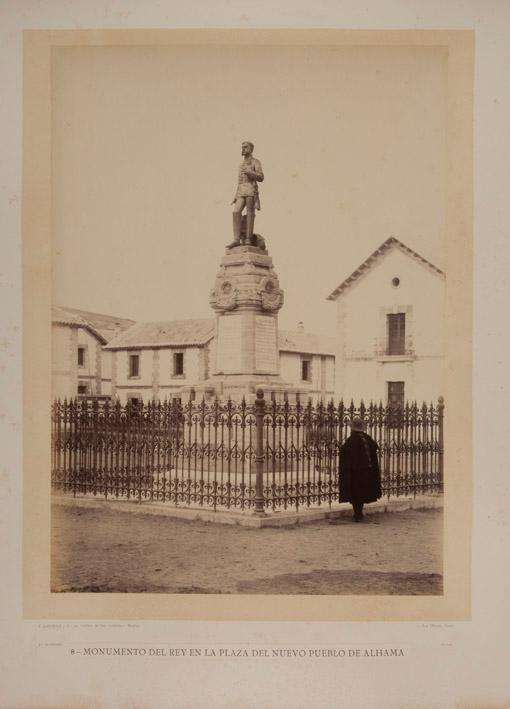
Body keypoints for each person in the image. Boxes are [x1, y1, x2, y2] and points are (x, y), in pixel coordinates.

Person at [338, 417, 382, 521]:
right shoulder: (367, 438)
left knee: (355, 493)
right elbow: (374, 449)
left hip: (356, 472)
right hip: (367, 472)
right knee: (361, 493)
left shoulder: (352, 440)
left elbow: (345, 453)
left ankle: (358, 514)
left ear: (352, 429)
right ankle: (359, 513)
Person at [227, 141, 264, 248]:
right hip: (242, 190)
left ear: (251, 149)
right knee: (236, 212)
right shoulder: (241, 165)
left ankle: (248, 238)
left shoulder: (255, 162)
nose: (243, 149)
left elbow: (261, 177)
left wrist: (250, 173)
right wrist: (236, 195)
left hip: (251, 189)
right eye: (242, 147)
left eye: (245, 147)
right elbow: (240, 181)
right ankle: (236, 239)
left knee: (250, 213)